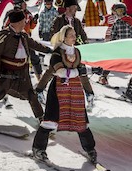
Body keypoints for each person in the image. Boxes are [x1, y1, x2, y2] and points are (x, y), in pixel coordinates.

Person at [0, 10, 52, 127]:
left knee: (31, 95)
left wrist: (49, 50)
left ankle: (42, 119)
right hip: (6, 73)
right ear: (17, 22)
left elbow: (35, 44)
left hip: (22, 74)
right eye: (23, 21)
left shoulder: (24, 35)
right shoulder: (4, 35)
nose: (25, 23)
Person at [31, 25, 98, 163]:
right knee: (50, 120)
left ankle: (90, 149)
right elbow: (59, 72)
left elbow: (82, 74)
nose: (74, 37)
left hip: (75, 90)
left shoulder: (77, 52)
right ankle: (38, 148)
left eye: (74, 34)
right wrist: (40, 88)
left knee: (81, 121)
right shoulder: (57, 53)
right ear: (64, 38)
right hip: (58, 89)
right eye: (71, 35)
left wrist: (89, 92)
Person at [99, 3, 132, 85]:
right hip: (119, 45)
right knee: (111, 60)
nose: (120, 13)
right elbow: (113, 34)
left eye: (121, 11)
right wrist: (112, 43)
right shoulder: (117, 22)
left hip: (129, 46)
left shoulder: (129, 20)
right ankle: (103, 77)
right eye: (118, 11)